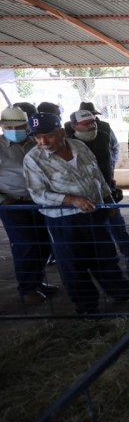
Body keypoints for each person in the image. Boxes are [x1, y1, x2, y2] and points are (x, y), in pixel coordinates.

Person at [23, 112, 129, 314]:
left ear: (61, 132)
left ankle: (123, 293)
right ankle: (87, 307)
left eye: (48, 135)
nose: (43, 142)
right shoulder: (33, 159)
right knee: (72, 263)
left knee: (105, 256)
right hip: (63, 220)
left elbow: (97, 176)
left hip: (94, 213)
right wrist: (71, 200)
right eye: (38, 137)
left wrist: (108, 200)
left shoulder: (79, 147)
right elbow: (37, 193)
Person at [68, 109, 129, 270]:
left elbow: (109, 159)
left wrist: (111, 178)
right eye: (86, 124)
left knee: (118, 226)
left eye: (93, 122)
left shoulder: (104, 136)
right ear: (74, 126)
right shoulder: (69, 145)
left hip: (107, 192)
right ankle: (105, 265)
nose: (92, 126)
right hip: (85, 198)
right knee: (96, 234)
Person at [0, 107, 59, 304]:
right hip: (13, 204)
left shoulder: (37, 142)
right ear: (2, 126)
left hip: (40, 200)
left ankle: (37, 281)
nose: (15, 130)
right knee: (25, 244)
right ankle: (27, 289)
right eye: (10, 127)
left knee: (44, 242)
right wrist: (3, 200)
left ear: (27, 125)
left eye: (20, 126)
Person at [78, 101, 120, 169]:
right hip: (84, 169)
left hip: (104, 167)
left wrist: (111, 163)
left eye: (90, 115)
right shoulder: (73, 128)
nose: (88, 119)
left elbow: (115, 146)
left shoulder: (105, 127)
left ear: (94, 115)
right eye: (84, 116)